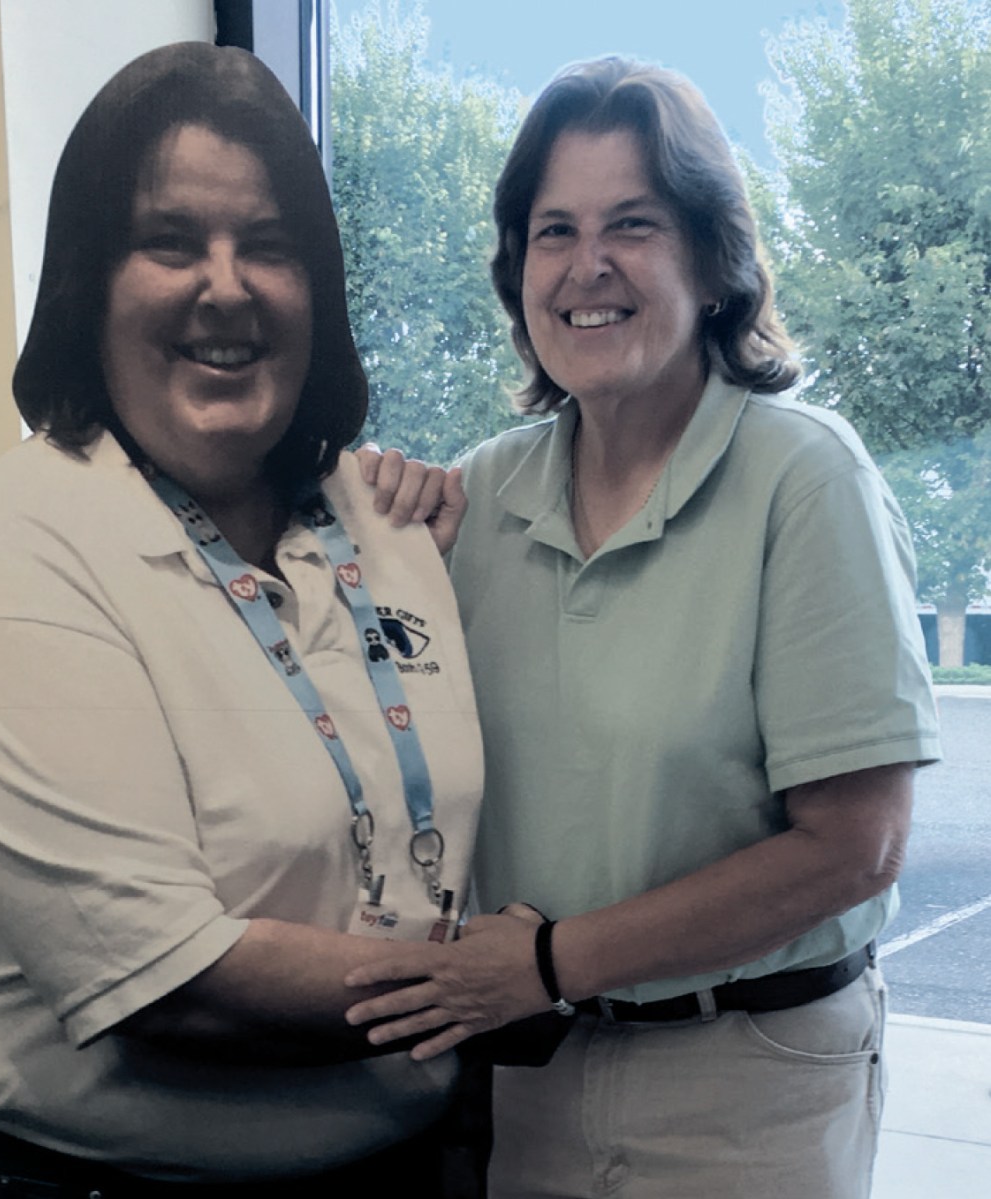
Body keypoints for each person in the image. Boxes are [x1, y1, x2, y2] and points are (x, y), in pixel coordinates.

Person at [0, 42, 485, 1197]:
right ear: (89, 281)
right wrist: (503, 982)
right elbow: (175, 988)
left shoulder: (384, 521)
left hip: (393, 1166)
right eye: (171, 242)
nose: (226, 285)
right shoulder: (17, 550)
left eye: (269, 245)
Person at [347, 56, 940, 1199]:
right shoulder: (479, 496)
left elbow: (855, 843)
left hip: (745, 1082)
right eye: (553, 230)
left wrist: (548, 961)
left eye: (634, 224)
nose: (588, 266)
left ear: (714, 262)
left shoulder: (804, 479)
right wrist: (379, 549)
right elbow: (391, 769)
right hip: (526, 1075)